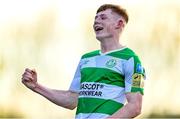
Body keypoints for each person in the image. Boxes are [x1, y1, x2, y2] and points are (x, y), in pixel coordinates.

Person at [22, 4, 146, 119]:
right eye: (95, 18)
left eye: (103, 18)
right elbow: (71, 100)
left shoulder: (131, 59)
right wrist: (36, 87)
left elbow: (135, 106)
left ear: (119, 24)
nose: (96, 21)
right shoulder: (86, 59)